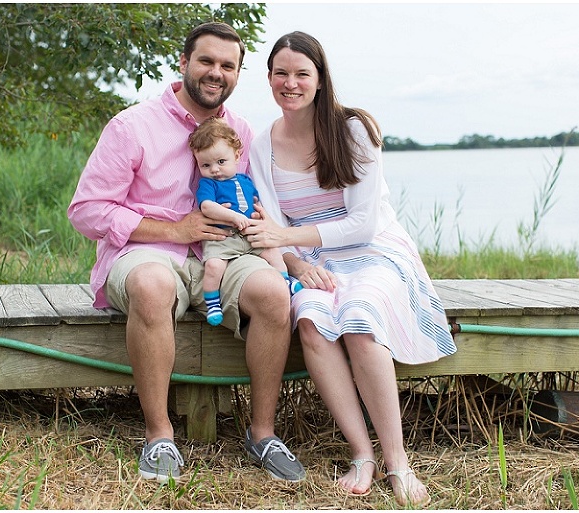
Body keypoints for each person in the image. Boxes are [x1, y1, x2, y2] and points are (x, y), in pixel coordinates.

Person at [67, 22, 305, 484]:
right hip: (148, 252)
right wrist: (176, 229)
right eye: (207, 61)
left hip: (227, 254)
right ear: (183, 64)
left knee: (275, 293)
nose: (216, 72)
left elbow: (259, 206)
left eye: (227, 65)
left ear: (237, 74)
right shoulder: (132, 126)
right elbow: (86, 211)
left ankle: (263, 434)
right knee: (152, 285)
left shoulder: (240, 132)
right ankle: (160, 438)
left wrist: (288, 255)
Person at [244, 31, 457, 506]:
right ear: (269, 79)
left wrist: (287, 240)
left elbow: (362, 224)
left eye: (302, 73)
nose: (291, 83)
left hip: (375, 248)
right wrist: (295, 264)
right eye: (281, 73)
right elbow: (271, 227)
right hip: (308, 258)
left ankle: (399, 462)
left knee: (359, 319)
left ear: (320, 80)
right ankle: (363, 454)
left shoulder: (353, 129)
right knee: (312, 321)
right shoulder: (262, 144)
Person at [189, 116, 303, 326]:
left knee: (273, 254)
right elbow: (206, 206)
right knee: (214, 266)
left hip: (249, 235)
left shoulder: (245, 180)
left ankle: (285, 282)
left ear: (236, 155)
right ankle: (213, 302)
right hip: (223, 238)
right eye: (206, 164)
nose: (214, 169)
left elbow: (257, 200)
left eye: (221, 162)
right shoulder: (208, 184)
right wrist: (233, 217)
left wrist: (260, 213)